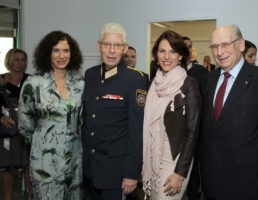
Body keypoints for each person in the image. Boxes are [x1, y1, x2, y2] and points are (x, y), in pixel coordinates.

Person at [200, 25, 258, 200]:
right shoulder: (208, 80)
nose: (219, 52)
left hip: (248, 181)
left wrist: (256, 167)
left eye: (225, 44)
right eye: (214, 47)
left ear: (241, 45)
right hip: (212, 181)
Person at [81, 23, 148, 200]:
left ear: (124, 48)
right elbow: (87, 120)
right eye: (106, 45)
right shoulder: (90, 75)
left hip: (116, 171)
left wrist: (132, 173)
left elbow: (137, 130)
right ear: (99, 46)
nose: (111, 51)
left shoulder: (135, 79)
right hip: (90, 168)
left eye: (117, 45)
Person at [18, 31, 84, 199]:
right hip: (44, 163)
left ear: (72, 53)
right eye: (56, 50)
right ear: (47, 53)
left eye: (66, 50)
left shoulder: (79, 83)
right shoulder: (33, 83)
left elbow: (82, 121)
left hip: (74, 162)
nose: (61, 55)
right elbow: (25, 126)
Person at [142, 30, 200, 200]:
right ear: (156, 55)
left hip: (174, 159)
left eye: (172, 51)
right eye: (162, 51)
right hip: (153, 157)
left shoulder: (189, 84)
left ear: (180, 55)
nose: (167, 56)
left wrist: (180, 173)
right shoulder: (154, 83)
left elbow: (193, 131)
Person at [0, 49, 31, 200]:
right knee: (6, 167)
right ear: (9, 61)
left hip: (27, 128)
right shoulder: (1, 79)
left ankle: (31, 196)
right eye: (16, 59)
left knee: (28, 166)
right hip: (8, 129)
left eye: (22, 59)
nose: (19, 62)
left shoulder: (31, 80)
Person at [182, 36, 207, 200]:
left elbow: (205, 101)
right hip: (173, 131)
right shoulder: (167, 71)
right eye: (184, 47)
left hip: (195, 130)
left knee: (193, 172)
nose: (188, 50)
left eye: (190, 47)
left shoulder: (201, 72)